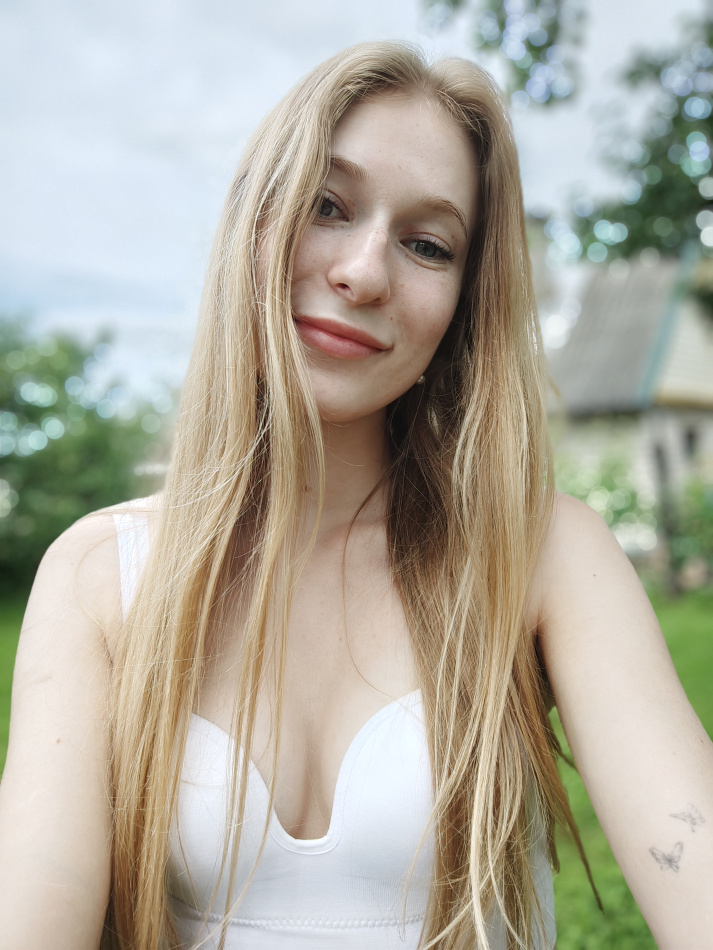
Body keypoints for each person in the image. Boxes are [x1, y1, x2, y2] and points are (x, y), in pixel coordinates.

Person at [0, 40, 711, 950]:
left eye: (427, 245)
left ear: (463, 306)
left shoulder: (543, 555)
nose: (364, 273)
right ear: (252, 226)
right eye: (326, 205)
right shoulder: (99, 576)